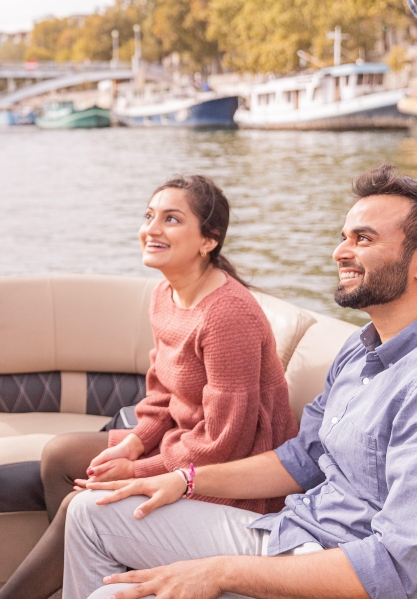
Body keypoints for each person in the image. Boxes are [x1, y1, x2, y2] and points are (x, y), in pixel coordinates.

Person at [64, 163, 417, 599]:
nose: (341, 251)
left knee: (114, 593)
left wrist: (220, 571)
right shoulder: (364, 348)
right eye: (344, 237)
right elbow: (303, 460)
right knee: (90, 514)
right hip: (294, 533)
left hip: (344, 575)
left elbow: (395, 570)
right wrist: (183, 479)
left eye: (363, 239)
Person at [0, 174, 297, 599]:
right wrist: (134, 445)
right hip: (183, 445)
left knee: (80, 506)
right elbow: (160, 394)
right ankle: (87, 567)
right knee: (60, 456)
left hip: (231, 476)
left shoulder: (228, 317)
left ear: (208, 240)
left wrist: (137, 473)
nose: (152, 229)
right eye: (149, 215)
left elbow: (224, 443)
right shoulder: (166, 295)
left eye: (171, 219)